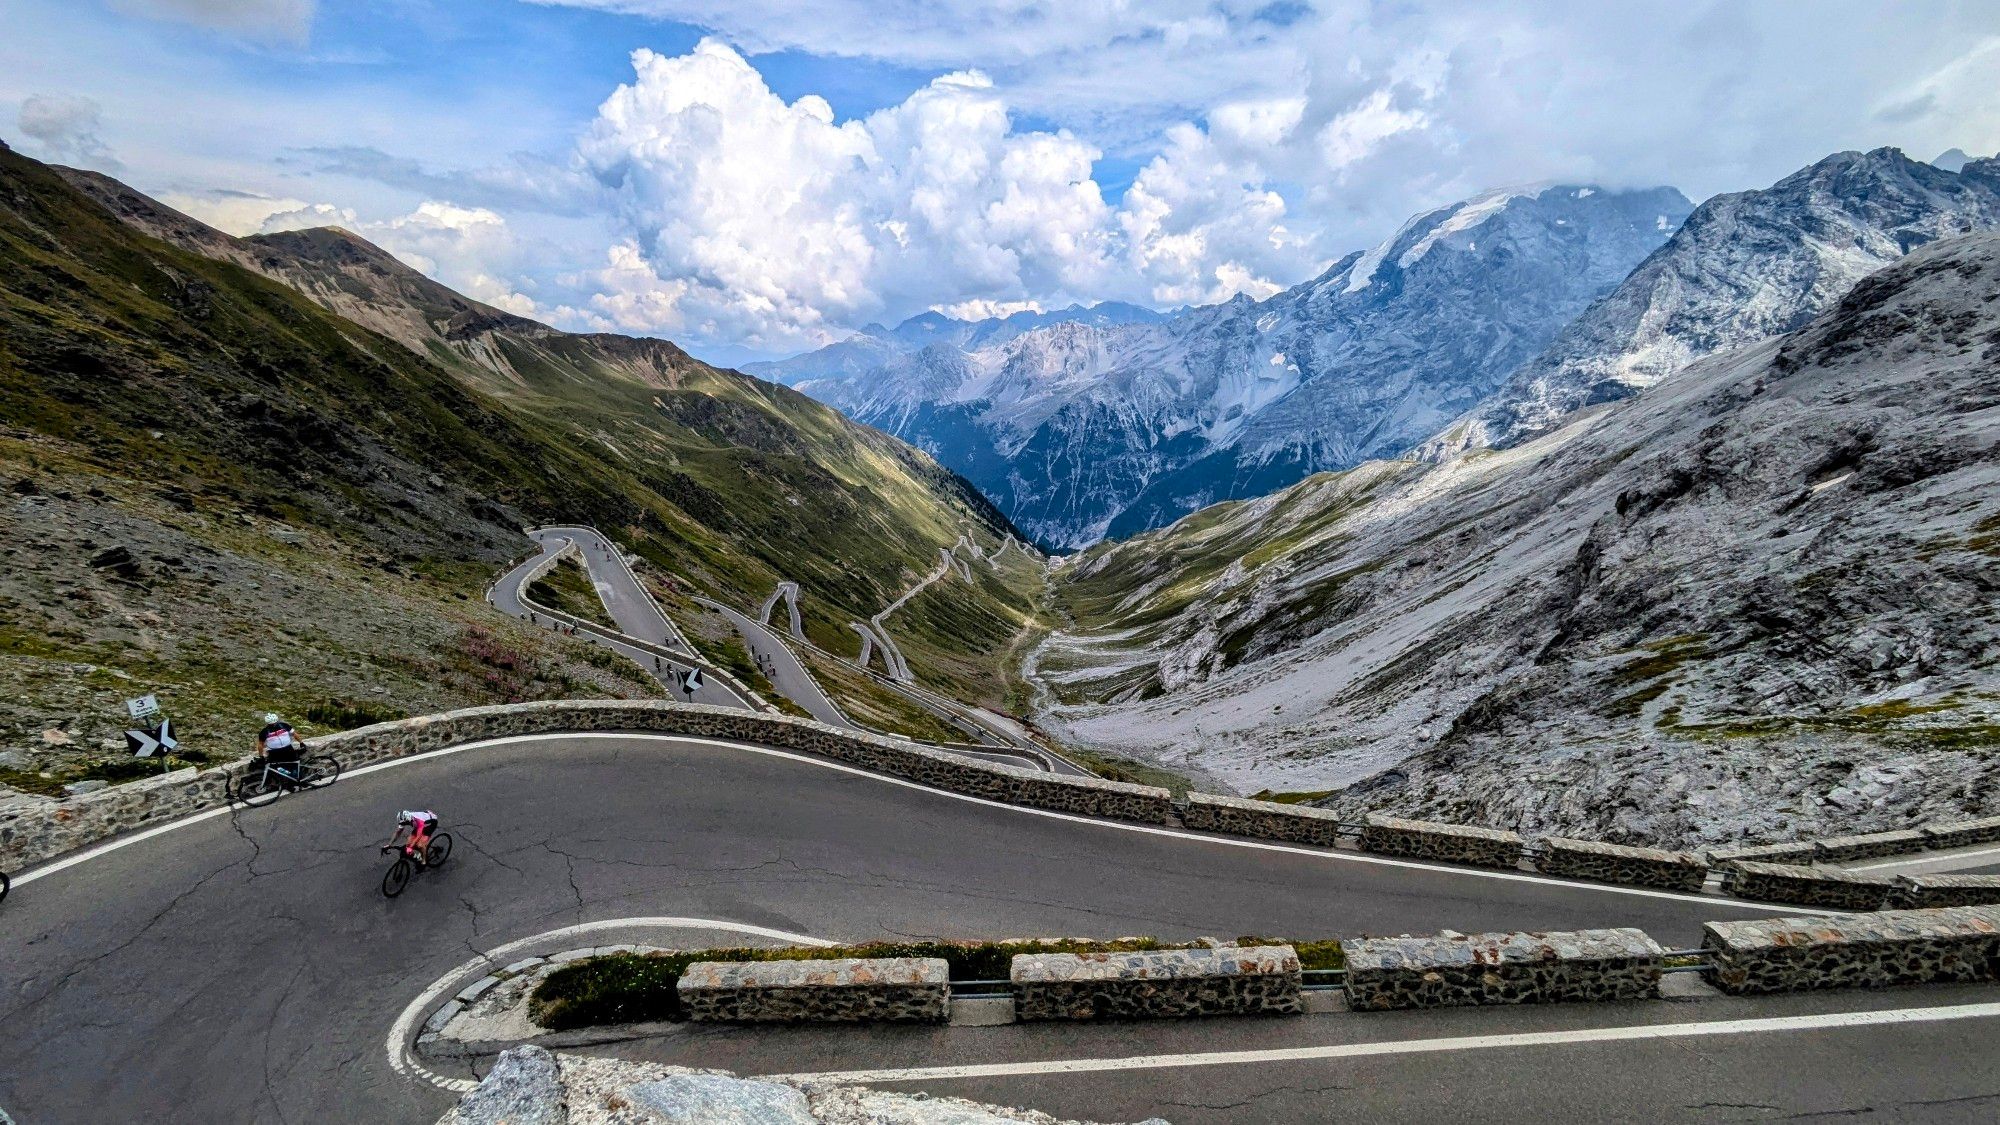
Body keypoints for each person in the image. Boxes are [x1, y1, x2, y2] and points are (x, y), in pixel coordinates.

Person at [257, 713, 305, 781]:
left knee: (294, 765)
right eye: (271, 724)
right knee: (276, 767)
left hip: (288, 749)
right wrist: (261, 756)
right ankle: (288, 780)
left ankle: (297, 779)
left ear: (277, 721)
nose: (273, 724)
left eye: (274, 723)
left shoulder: (284, 725)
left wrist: (301, 743)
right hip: (275, 752)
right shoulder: (264, 732)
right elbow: (260, 744)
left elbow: (294, 734)